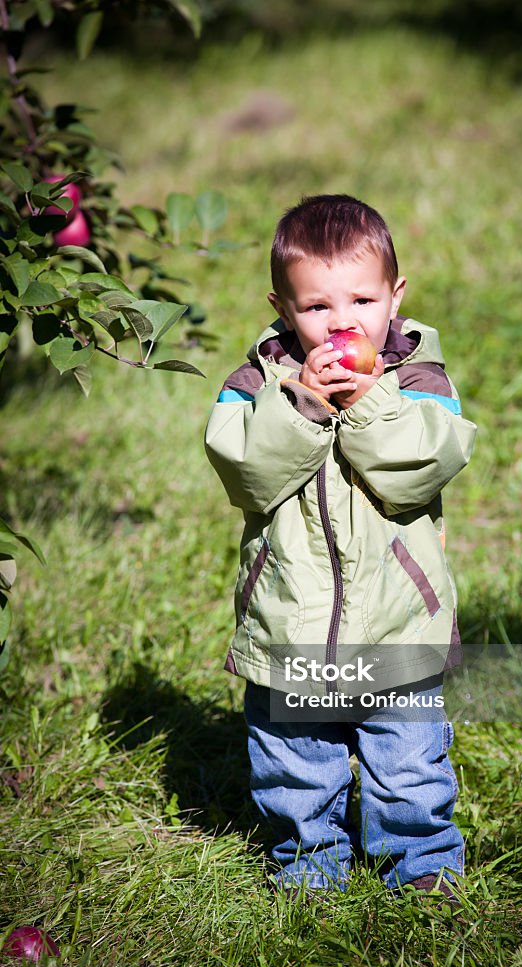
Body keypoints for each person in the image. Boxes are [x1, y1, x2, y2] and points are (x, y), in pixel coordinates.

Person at [205, 194, 477, 900]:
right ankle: (307, 867)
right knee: (295, 764)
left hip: (395, 626)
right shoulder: (257, 384)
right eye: (317, 306)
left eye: (362, 298)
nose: (342, 322)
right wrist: (299, 405)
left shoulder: (416, 379)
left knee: (409, 764)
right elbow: (246, 475)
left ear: (396, 295)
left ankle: (421, 868)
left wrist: (365, 404)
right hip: (291, 623)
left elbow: (420, 469)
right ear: (283, 307)